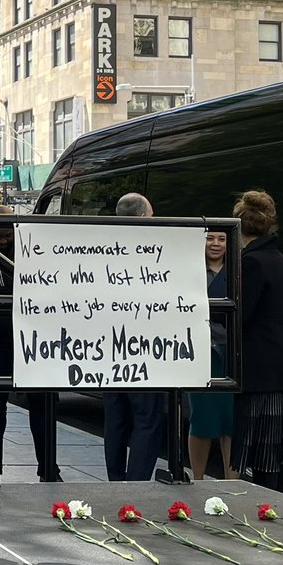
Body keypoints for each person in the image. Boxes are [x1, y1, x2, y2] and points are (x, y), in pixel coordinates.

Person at [0, 205, 57, 481]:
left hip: (33, 330)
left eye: (7, 235)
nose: (3, 240)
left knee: (43, 401)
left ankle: (49, 467)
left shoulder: (30, 243)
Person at [230, 190, 283, 490]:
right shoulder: (277, 257)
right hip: (281, 362)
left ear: (239, 225)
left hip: (260, 365)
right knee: (273, 450)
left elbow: (242, 314)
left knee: (261, 448)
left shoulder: (253, 262)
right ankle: (274, 507)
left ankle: (266, 510)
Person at [102, 192, 166, 481]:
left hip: (106, 347)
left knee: (115, 418)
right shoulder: (155, 247)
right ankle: (136, 483)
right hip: (144, 347)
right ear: (143, 217)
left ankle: (116, 480)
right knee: (147, 418)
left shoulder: (100, 246)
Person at [187, 230, 236, 480]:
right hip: (201, 354)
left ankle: (232, 486)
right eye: (210, 238)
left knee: (232, 421)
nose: (215, 244)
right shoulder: (189, 271)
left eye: (221, 239)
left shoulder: (238, 270)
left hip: (232, 353)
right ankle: (198, 479)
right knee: (202, 420)